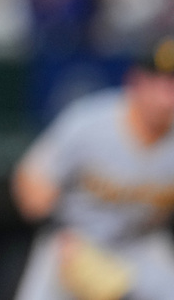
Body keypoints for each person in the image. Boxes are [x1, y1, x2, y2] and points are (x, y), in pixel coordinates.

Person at [11, 35, 174, 300]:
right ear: (136, 81)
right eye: (161, 83)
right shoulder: (90, 122)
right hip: (74, 241)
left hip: (141, 244)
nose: (168, 96)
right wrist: (59, 233)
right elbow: (31, 177)